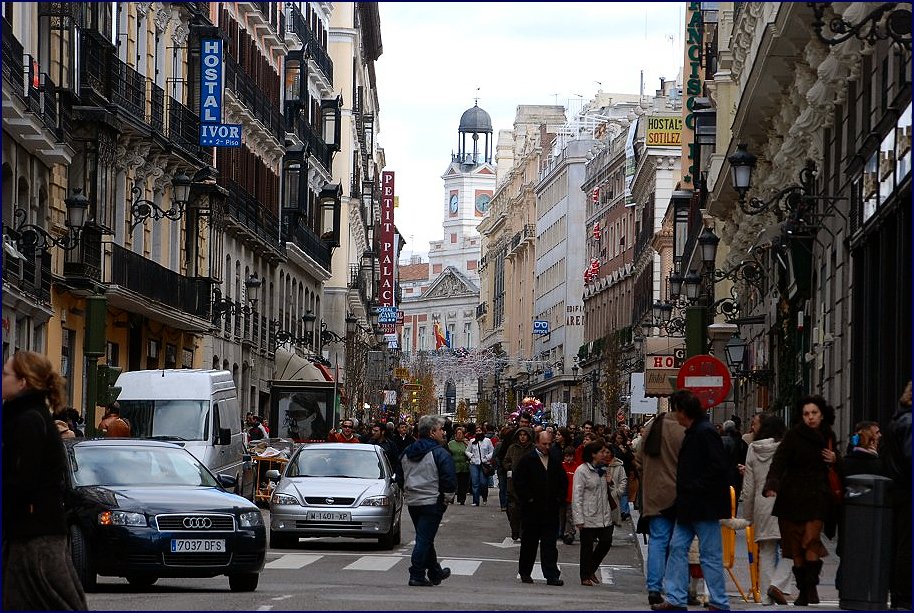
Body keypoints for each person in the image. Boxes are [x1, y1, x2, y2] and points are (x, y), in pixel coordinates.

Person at [2, 351, 88, 610]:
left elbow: (23, 480)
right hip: (31, 530)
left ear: (23, 382)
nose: (1, 378)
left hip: (36, 535)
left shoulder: (29, 420)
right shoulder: (27, 416)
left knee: (53, 600)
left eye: (6, 374)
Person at [652, 389, 730, 612]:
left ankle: (719, 601)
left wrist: (695, 486)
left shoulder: (704, 433)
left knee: (709, 554)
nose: (675, 416)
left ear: (683, 411)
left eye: (676, 410)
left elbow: (718, 466)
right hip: (690, 505)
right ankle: (676, 598)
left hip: (703, 505)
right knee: (677, 548)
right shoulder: (696, 431)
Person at [763, 395, 840, 607]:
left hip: (817, 495)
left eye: (814, 413)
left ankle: (811, 585)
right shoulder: (793, 436)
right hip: (792, 497)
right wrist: (771, 484)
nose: (811, 417)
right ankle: (805, 591)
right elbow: (779, 461)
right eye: (806, 414)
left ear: (822, 414)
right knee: (795, 547)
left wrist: (835, 459)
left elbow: (836, 464)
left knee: (810, 539)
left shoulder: (828, 435)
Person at [739, 413, 795, 605]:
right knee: (793, 549)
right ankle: (777, 585)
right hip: (785, 503)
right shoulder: (787, 448)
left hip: (762, 505)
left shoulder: (753, 449)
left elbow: (748, 487)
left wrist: (748, 515)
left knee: (766, 552)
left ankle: (765, 598)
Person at [634, 409, 686, 606]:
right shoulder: (682, 429)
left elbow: (637, 460)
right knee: (679, 543)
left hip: (654, 493)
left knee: (658, 540)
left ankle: (654, 587)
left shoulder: (651, 429)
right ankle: (677, 588)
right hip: (676, 493)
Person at [399, 415, 456, 587]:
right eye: (440, 429)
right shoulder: (439, 453)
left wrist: (407, 491)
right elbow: (449, 479)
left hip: (413, 501)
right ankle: (416, 573)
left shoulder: (407, 451)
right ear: (432, 432)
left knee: (425, 537)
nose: (443, 433)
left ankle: (434, 571)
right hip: (432, 501)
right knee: (424, 538)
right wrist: (446, 499)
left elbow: (400, 476)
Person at [512, 430, 568, 586]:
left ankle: (551, 575)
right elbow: (519, 482)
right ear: (537, 443)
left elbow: (563, 481)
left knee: (549, 544)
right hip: (532, 510)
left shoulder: (555, 460)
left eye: (550, 444)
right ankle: (525, 572)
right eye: (544, 444)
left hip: (550, 509)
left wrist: (559, 498)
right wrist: (528, 499)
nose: (547, 447)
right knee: (529, 543)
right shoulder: (527, 460)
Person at [573, 438, 625, 586]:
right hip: (588, 514)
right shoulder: (582, 471)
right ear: (593, 454)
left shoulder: (603, 470)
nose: (604, 454)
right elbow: (577, 495)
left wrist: (610, 482)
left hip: (604, 514)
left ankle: (591, 569)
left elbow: (612, 493)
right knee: (587, 547)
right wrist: (578, 518)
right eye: (601, 452)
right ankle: (585, 575)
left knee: (606, 542)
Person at [882, 381, 911, 610]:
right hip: (907, 489)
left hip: (897, 490)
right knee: (906, 545)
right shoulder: (909, 422)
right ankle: (904, 595)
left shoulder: (896, 420)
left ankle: (899, 594)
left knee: (899, 544)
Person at [504, 426, 534, 541]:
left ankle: (522, 531)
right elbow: (506, 460)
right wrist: (510, 467)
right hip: (513, 482)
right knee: (513, 509)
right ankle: (515, 530)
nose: (522, 437)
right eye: (520, 435)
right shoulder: (512, 448)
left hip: (527, 482)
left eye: (524, 435)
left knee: (525, 509)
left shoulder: (532, 448)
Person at [466, 429, 494, 506]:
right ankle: (475, 501)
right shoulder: (472, 441)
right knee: (475, 483)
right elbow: (467, 451)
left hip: (484, 464)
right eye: (477, 431)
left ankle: (484, 497)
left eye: (480, 431)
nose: (478, 432)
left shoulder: (487, 441)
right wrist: (471, 456)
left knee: (483, 482)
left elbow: (492, 451)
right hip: (474, 464)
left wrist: (487, 457)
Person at [560, 446, 579, 544]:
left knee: (570, 516)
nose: (569, 459)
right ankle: (561, 532)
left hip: (572, 496)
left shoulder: (577, 467)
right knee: (561, 515)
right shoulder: (561, 466)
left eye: (570, 456)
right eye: (567, 456)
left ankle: (569, 533)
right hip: (562, 496)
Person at [447, 426, 470, 505]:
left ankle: (461, 499)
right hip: (453, 466)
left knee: (463, 484)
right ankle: (451, 498)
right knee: (453, 483)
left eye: (461, 433)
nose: (459, 435)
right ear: (455, 434)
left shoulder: (466, 443)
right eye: (458, 433)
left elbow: (471, 452)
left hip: (464, 466)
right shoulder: (451, 443)